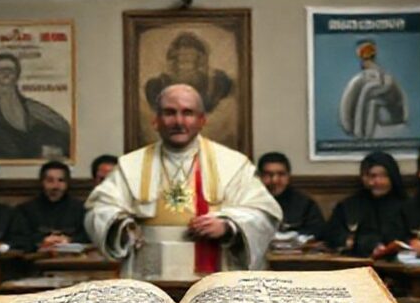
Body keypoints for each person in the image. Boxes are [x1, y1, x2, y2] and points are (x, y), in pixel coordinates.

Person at [85, 84, 280, 278]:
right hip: (149, 276)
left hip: (213, 276)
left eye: (188, 113)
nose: (178, 121)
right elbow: (99, 208)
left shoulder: (233, 164)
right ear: (156, 121)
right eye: (170, 113)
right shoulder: (130, 165)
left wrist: (228, 225)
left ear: (202, 120)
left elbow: (263, 212)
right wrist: (121, 227)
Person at [0, 52, 71, 161]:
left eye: (10, 70)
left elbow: (64, 131)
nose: (5, 74)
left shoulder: (34, 108)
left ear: (17, 73)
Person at [323, 151, 408, 257]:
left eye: (383, 176)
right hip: (356, 264)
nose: (377, 181)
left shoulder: (407, 206)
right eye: (371, 176)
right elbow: (332, 234)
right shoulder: (348, 206)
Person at [144, 32, 233, 114]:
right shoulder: (156, 86)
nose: (185, 61)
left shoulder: (217, 83)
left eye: (190, 57)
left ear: (200, 60)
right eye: (181, 57)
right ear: (173, 60)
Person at [339, 39, 406, 139]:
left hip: (388, 119)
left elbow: (346, 115)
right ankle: (362, 132)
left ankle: (363, 133)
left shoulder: (384, 79)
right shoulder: (360, 81)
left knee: (371, 99)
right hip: (379, 124)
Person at [18, 161, 88, 251]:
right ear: (42, 182)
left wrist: (69, 240)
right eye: (50, 180)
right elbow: (21, 238)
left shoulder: (80, 209)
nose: (56, 186)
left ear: (67, 183)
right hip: (36, 260)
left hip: (73, 260)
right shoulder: (25, 210)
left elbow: (88, 236)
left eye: (61, 180)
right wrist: (42, 240)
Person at [256, 152, 324, 238]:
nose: (274, 180)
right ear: (259, 177)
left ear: (288, 176)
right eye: (268, 175)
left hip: (296, 250)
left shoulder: (304, 204)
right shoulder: (248, 202)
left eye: (281, 174)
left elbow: (318, 232)